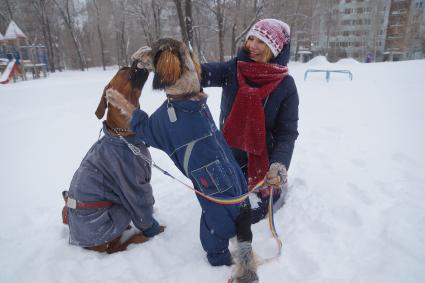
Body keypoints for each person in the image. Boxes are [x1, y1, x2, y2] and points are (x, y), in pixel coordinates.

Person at [201, 19, 299, 223]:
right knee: (223, 207)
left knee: (248, 215)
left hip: (263, 165)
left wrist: (279, 164)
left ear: (275, 48)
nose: (252, 46)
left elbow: (286, 133)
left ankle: (270, 188)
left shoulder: (286, 85)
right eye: (250, 39)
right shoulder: (233, 68)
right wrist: (169, 61)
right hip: (228, 156)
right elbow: (200, 74)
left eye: (261, 42)